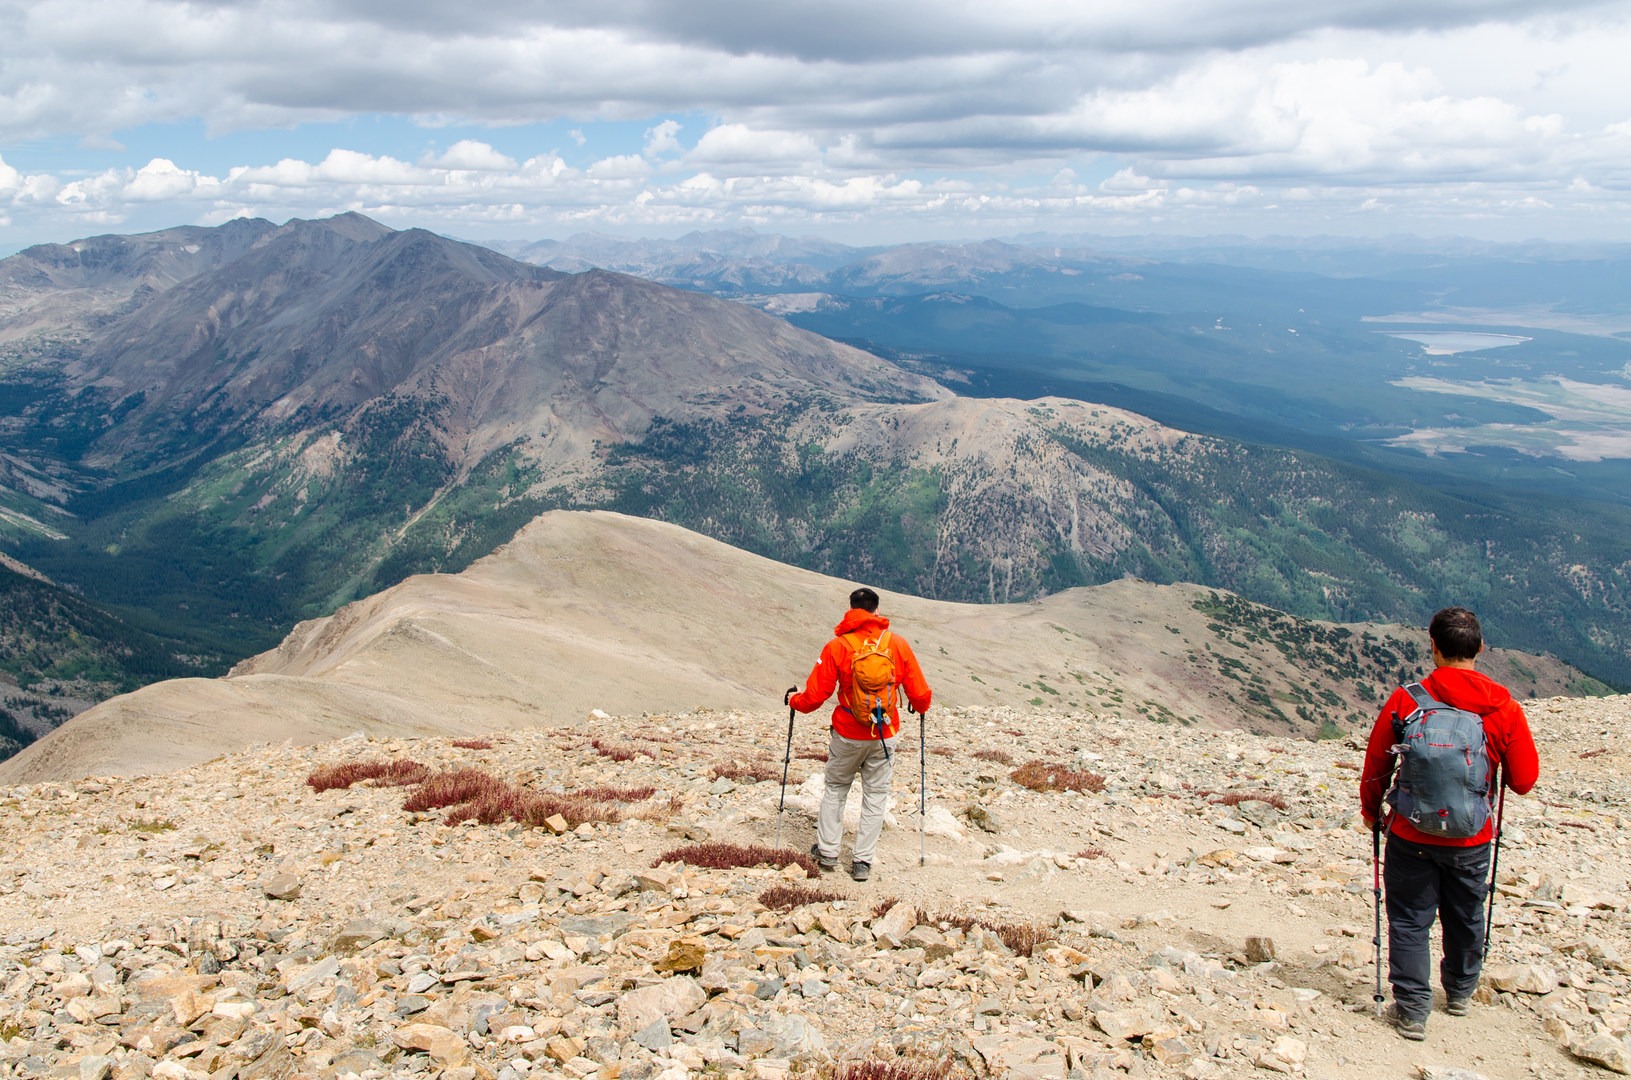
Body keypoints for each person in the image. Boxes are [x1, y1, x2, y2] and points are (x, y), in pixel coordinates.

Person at [1359, 606, 1539, 1041]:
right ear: (1479, 649)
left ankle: (1413, 1011)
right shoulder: (1505, 708)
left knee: (1408, 920)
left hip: (1410, 833)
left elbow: (1376, 766)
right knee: (1465, 914)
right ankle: (1459, 992)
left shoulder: (1408, 700)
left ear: (1433, 646)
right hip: (1472, 839)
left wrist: (1372, 813)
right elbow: (1524, 782)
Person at [787, 587, 932, 882]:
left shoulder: (838, 646)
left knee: (837, 788)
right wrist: (919, 707)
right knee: (876, 795)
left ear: (851, 609)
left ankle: (827, 852)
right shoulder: (897, 645)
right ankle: (863, 861)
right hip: (884, 733)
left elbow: (815, 696)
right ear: (876, 611)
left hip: (848, 733)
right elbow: (920, 693)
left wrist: (794, 700)